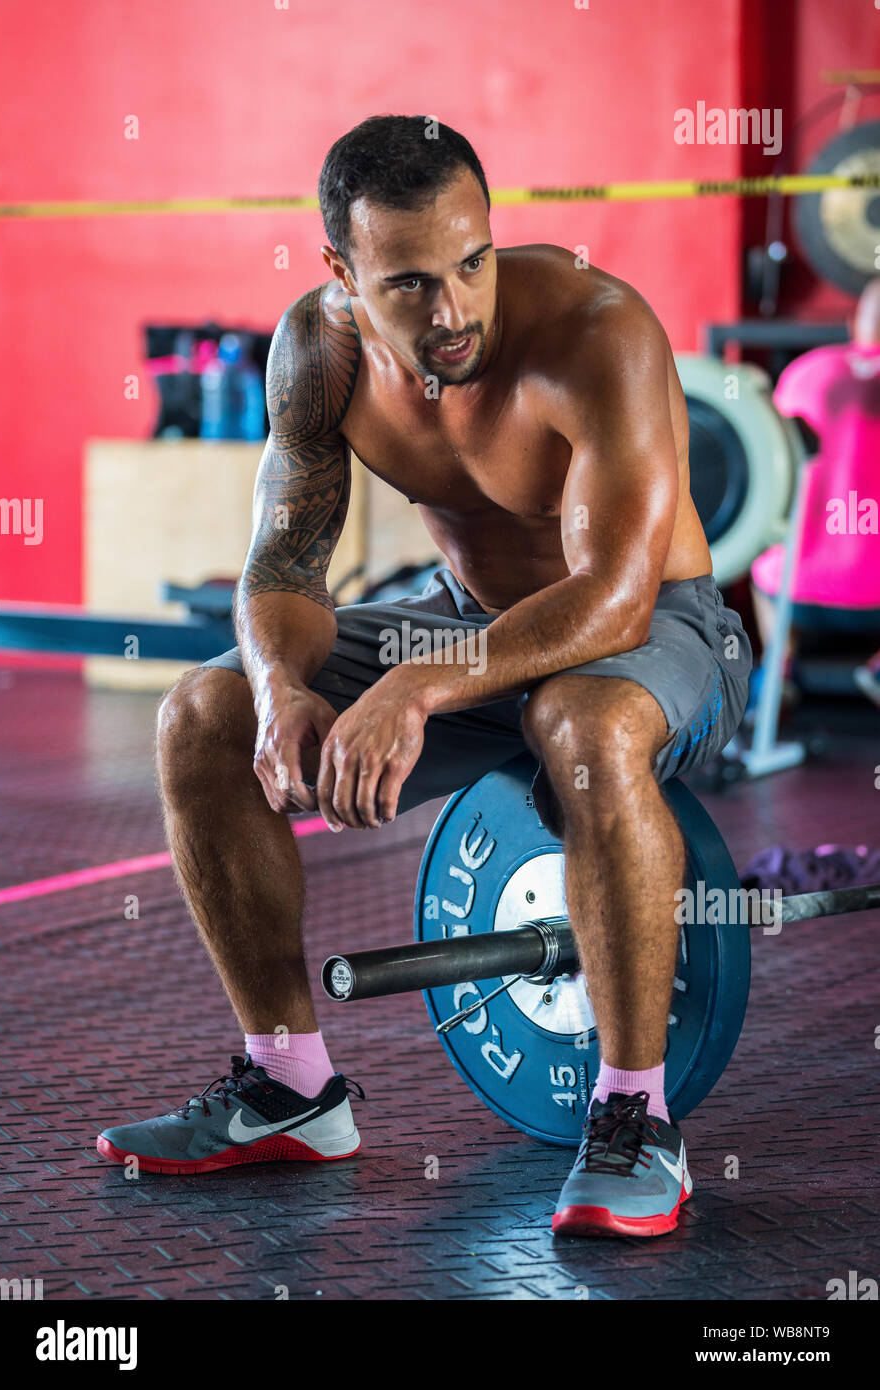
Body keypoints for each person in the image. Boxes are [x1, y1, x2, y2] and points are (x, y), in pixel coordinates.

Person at [97, 115, 752, 1238]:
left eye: (472, 262)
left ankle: (638, 1118)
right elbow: (285, 564)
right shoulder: (320, 351)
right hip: (466, 627)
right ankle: (290, 1087)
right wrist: (283, 690)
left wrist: (413, 689)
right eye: (409, 281)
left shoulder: (599, 330)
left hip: (661, 632)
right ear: (341, 277)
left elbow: (615, 596)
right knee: (202, 713)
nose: (453, 311)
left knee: (580, 722)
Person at [749, 277, 880, 708]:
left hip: (796, 591)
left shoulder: (803, 373)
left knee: (763, 559)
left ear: (850, 322)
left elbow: (769, 466)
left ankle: (779, 663)